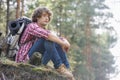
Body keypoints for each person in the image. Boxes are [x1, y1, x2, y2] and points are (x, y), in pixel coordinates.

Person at [15, 6, 75, 80]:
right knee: (48, 39)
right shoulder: (32, 26)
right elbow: (48, 36)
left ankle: (67, 69)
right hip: (25, 60)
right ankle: (59, 66)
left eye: (48, 16)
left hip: (38, 60)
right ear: (37, 17)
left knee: (55, 41)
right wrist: (63, 43)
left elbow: (58, 38)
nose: (47, 18)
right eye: (44, 16)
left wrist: (65, 42)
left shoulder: (44, 30)